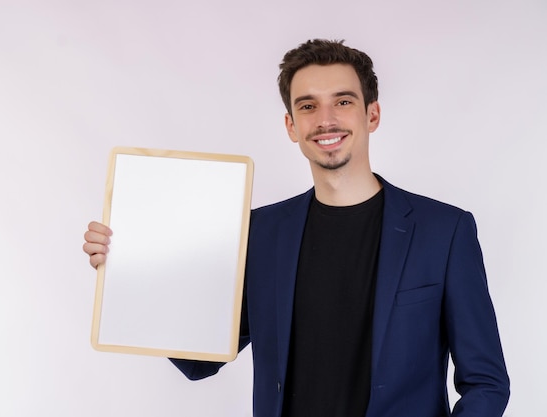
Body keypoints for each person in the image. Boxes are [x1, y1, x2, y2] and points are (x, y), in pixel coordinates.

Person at [83, 39, 510, 417]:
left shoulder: (445, 231)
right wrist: (128, 271)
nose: (325, 120)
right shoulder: (262, 232)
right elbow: (201, 360)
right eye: (307, 106)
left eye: (343, 101)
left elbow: (486, 383)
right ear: (291, 125)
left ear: (372, 114)